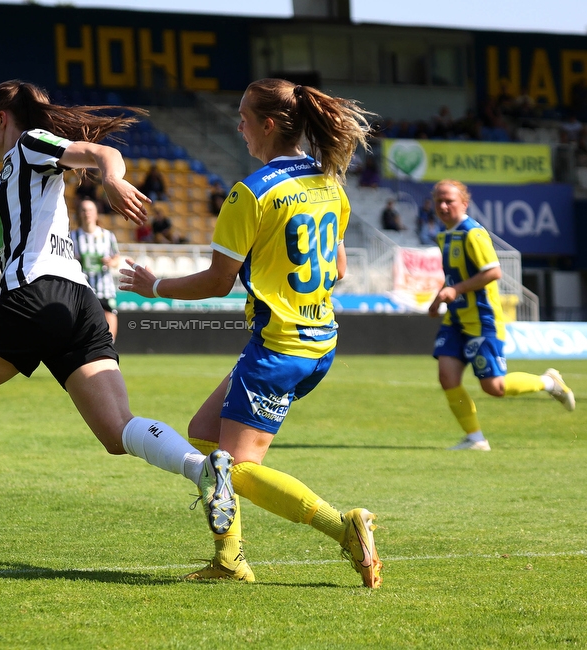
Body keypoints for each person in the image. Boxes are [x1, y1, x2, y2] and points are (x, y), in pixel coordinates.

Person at [0, 79, 235, 559]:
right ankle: (203, 469)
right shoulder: (7, 175)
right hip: (79, 301)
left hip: (35, 295)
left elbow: (98, 154)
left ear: (2, 118)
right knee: (118, 431)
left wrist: (112, 177)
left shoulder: (30, 145)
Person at [120, 78, 382, 588]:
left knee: (236, 467)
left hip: (279, 348)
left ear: (266, 124)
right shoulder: (330, 184)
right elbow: (340, 270)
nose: (237, 125)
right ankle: (229, 559)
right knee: (203, 435)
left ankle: (344, 527)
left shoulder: (251, 192)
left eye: (242, 116)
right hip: (315, 338)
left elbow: (218, 280)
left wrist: (153, 287)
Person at [427, 180, 575, 451]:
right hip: (456, 319)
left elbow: (493, 272)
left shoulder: (473, 233)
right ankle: (475, 439)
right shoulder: (445, 234)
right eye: (438, 201)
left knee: (494, 387)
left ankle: (549, 382)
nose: (443, 206)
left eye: (449, 200)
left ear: (464, 202)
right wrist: (439, 298)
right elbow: (454, 277)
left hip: (483, 320)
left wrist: (456, 289)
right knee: (447, 377)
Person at [70, 198, 120, 341]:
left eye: (90, 210)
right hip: (83, 287)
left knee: (109, 315)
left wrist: (111, 262)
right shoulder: (73, 236)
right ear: (79, 214)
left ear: (96, 213)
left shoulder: (108, 236)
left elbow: (117, 258)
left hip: (104, 286)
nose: (87, 213)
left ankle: (109, 346)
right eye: (84, 210)